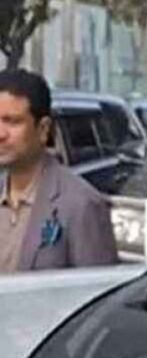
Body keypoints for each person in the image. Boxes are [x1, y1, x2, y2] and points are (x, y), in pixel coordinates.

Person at [0, 69, 117, 273]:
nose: (1, 134)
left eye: (12, 121)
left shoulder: (82, 204)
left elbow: (98, 289)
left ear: (43, 129)